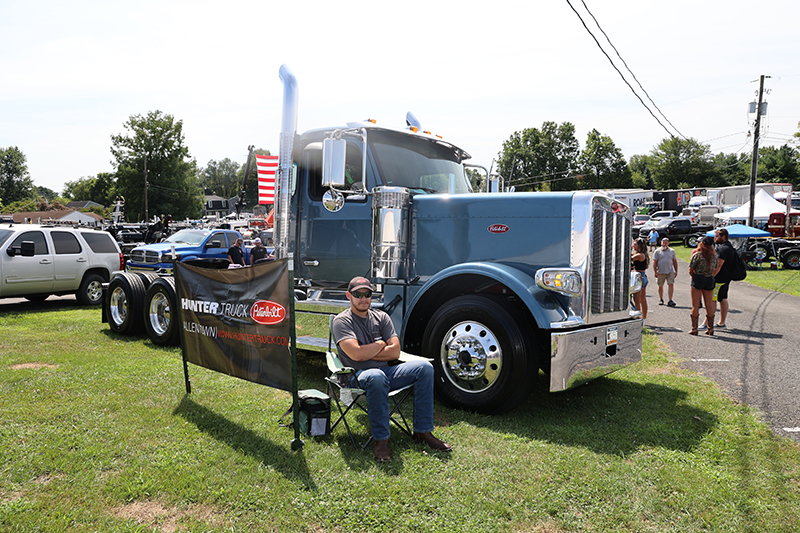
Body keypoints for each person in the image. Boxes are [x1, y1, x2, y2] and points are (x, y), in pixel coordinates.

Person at [332, 276, 452, 462]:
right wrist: (381, 344)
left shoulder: (381, 317)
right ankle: (381, 441)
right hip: (356, 376)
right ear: (349, 295)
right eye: (358, 294)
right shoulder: (342, 321)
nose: (363, 298)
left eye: (367, 294)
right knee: (376, 376)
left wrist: (367, 351)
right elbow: (356, 355)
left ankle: (423, 433)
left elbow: (395, 352)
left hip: (385, 373)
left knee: (425, 368)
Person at [688, 236, 718, 336]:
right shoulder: (714, 256)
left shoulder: (698, 255)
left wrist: (694, 276)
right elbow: (715, 267)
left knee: (695, 304)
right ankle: (710, 328)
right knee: (709, 305)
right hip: (709, 278)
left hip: (698, 278)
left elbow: (691, 269)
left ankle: (694, 328)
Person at [653, 237, 678, 306]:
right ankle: (661, 299)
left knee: (671, 284)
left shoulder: (672, 251)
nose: (664, 244)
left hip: (670, 271)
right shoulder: (657, 251)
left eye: (666, 243)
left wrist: (676, 271)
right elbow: (654, 262)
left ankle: (670, 300)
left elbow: (675, 261)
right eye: (663, 243)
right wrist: (655, 271)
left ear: (668, 243)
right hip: (660, 272)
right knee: (660, 285)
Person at [631, 238, 649, 326]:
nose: (634, 246)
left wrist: (630, 249)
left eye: (635, 244)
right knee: (642, 299)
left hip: (638, 277)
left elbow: (629, 258)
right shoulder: (643, 254)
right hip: (642, 275)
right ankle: (644, 319)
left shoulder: (639, 255)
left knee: (637, 300)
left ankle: (638, 318)